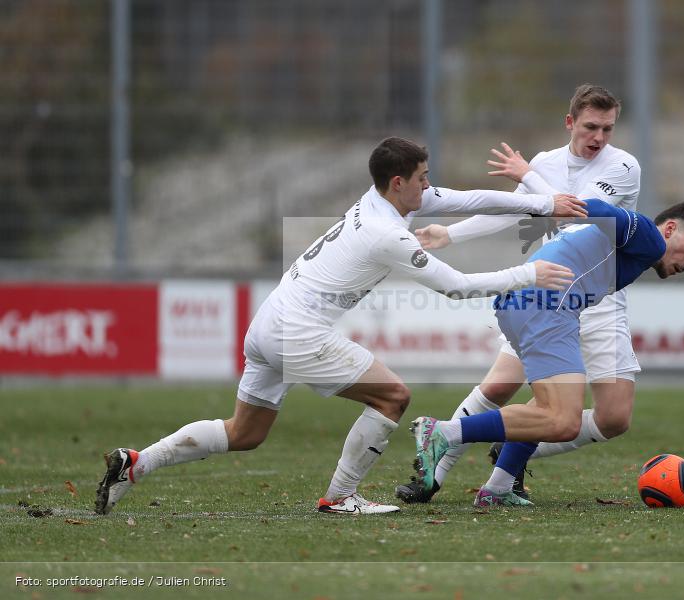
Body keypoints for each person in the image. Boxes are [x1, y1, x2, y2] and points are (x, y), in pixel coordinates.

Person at [94, 136, 587, 517]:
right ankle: (341, 496)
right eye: (423, 179)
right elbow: (456, 287)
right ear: (399, 183)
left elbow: (463, 198)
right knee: (393, 397)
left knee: (244, 432)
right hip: (297, 332)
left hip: (268, 322)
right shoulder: (387, 233)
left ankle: (136, 463)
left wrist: (545, 204)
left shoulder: (379, 199)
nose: (429, 186)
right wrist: (529, 273)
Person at [396, 84, 646, 503]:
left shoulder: (623, 166)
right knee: (499, 386)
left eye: (607, 128)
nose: (599, 137)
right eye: (590, 126)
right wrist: (450, 234)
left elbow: (577, 210)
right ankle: (432, 473)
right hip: (548, 296)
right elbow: (515, 210)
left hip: (601, 303)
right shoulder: (546, 163)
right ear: (570, 122)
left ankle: (512, 447)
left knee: (615, 417)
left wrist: (527, 175)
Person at [412, 200, 684, 506]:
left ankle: (499, 487)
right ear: (670, 229)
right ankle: (443, 433)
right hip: (546, 307)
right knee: (563, 421)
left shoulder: (631, 250)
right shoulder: (651, 238)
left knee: (547, 404)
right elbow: (606, 211)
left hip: (526, 305)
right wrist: (562, 207)